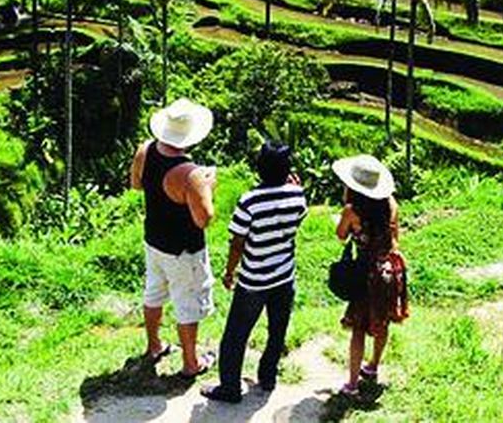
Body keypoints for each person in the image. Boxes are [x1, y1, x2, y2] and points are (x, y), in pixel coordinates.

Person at [202, 141, 308, 404]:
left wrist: (229, 272)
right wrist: (293, 188)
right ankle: (268, 377)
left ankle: (230, 388)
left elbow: (237, 242)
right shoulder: (298, 196)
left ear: (259, 168)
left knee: (235, 335)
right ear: (287, 169)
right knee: (277, 329)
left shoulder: (249, 200)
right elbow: (297, 219)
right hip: (284, 275)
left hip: (254, 279)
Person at [129, 98, 218, 378]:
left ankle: (154, 345)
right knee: (187, 302)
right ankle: (191, 363)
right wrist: (207, 186)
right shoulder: (191, 174)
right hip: (184, 250)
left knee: (154, 292)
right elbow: (204, 219)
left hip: (154, 240)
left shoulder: (145, 150)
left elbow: (135, 184)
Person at [332, 154, 407, 395]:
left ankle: (352, 384)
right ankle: (373, 365)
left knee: (358, 327)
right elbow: (395, 237)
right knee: (382, 322)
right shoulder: (391, 204)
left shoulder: (352, 210)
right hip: (390, 269)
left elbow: (341, 235)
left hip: (367, 273)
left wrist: (344, 218)